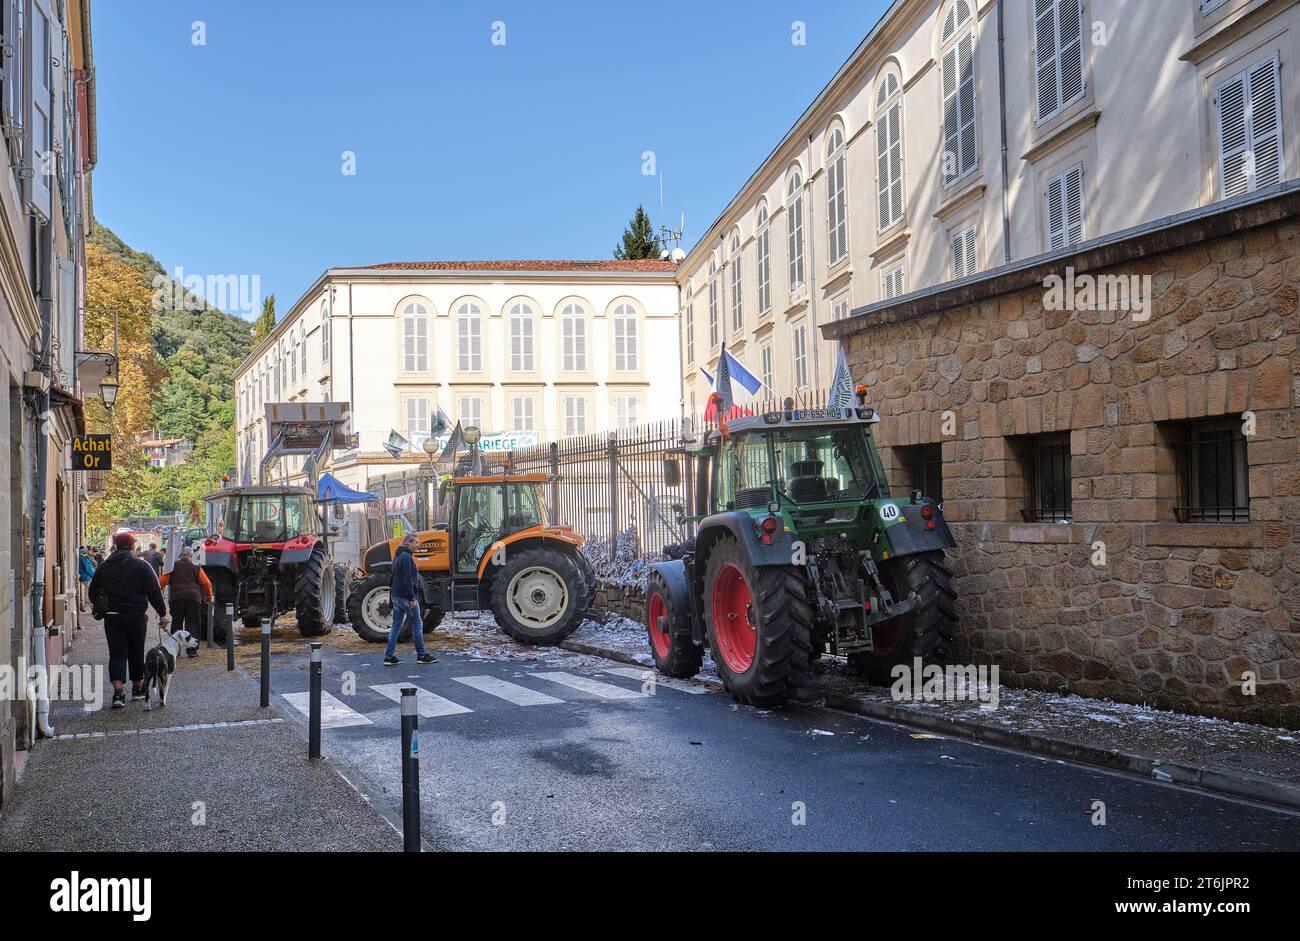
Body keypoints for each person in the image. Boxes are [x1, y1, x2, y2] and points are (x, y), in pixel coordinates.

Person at [88, 532, 169, 708]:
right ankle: (137, 688)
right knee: (136, 651)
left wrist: (104, 604)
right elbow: (154, 592)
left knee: (117, 653)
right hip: (136, 617)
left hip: (113, 617)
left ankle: (118, 693)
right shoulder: (141, 566)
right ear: (132, 546)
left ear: (116, 546)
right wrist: (162, 614)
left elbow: (92, 593)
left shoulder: (104, 567)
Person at [383, 533, 436, 666]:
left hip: (396, 597)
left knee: (395, 627)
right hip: (406, 598)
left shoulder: (398, 555)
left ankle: (389, 656)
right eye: (416, 542)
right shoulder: (407, 557)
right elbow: (407, 580)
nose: (419, 545)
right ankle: (421, 655)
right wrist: (412, 598)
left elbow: (395, 577)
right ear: (409, 543)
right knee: (417, 625)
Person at [160, 546, 212, 643]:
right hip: (193, 598)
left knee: (176, 623)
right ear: (191, 555)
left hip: (177, 598)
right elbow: (207, 583)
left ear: (181, 555)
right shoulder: (196, 567)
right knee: (193, 624)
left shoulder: (172, 566)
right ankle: (192, 650)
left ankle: (176, 648)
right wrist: (208, 598)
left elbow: (161, 581)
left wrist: (160, 593)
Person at [77, 547, 95, 612]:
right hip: (87, 577)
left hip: (83, 577)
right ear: (85, 551)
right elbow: (89, 569)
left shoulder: (78, 557)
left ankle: (91, 606)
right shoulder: (84, 559)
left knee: (87, 592)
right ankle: (93, 607)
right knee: (89, 593)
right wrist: (95, 576)